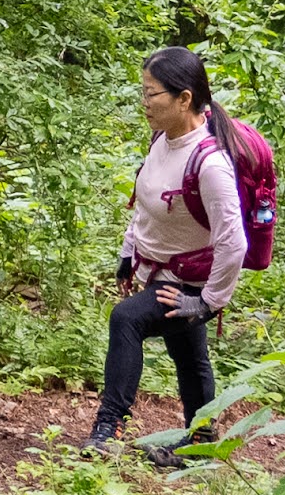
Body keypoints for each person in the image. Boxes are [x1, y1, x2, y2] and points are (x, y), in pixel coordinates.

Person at [88, 44, 241, 454]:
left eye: (151, 93)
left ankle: (108, 428)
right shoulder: (163, 140)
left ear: (184, 98)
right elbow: (146, 204)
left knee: (127, 319)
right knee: (189, 354)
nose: (144, 102)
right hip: (161, 272)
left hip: (189, 282)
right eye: (144, 92)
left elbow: (234, 241)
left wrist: (207, 302)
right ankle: (201, 441)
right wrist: (128, 255)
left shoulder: (210, 165)